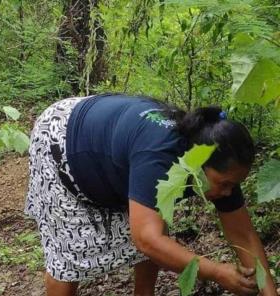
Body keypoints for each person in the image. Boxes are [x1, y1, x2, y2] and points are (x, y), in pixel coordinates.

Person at [25, 94, 278, 295]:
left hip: (112, 135)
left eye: (234, 185)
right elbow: (147, 239)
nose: (228, 192)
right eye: (224, 184)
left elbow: (243, 234)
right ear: (198, 163)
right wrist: (216, 272)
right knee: (70, 257)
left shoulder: (220, 161)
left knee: (154, 226)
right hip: (64, 140)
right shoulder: (159, 155)